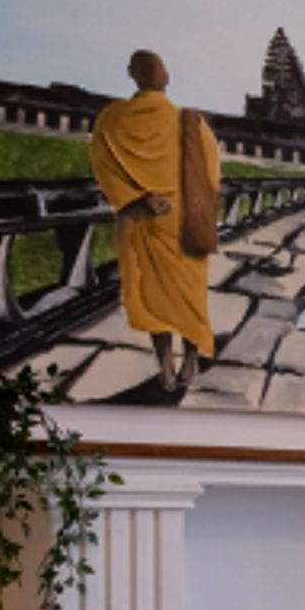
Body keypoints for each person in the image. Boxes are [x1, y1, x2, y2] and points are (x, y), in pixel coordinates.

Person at [87, 48, 223, 397]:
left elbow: (104, 168)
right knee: (189, 295)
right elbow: (211, 175)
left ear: (133, 76)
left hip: (141, 217)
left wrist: (141, 199)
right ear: (165, 78)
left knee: (152, 296)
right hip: (184, 218)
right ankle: (189, 362)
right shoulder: (191, 123)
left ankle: (165, 365)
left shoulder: (112, 118)